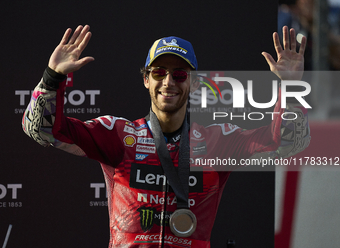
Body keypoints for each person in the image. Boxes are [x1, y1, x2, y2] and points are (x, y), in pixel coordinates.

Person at [22, 25, 310, 247]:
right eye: (159, 72)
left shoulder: (218, 141)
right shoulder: (120, 136)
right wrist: (52, 78)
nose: (169, 82)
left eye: (180, 74)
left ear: (195, 83)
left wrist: (292, 89)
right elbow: (42, 130)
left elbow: (288, 144)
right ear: (146, 79)